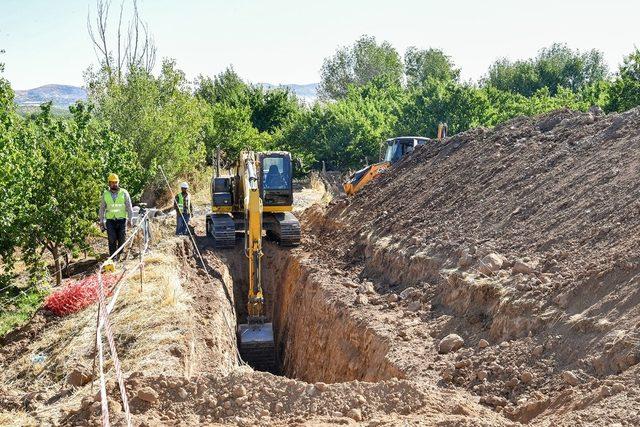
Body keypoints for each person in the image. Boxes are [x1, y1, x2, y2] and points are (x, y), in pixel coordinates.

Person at [99, 173, 134, 257]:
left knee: (122, 238)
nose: (114, 184)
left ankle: (120, 255)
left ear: (118, 182)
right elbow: (102, 208)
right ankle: (113, 257)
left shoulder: (124, 193)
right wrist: (101, 221)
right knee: (112, 239)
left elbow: (129, 206)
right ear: (109, 183)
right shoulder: (105, 194)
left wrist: (130, 219)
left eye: (115, 182)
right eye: (112, 182)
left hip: (122, 220)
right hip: (110, 220)